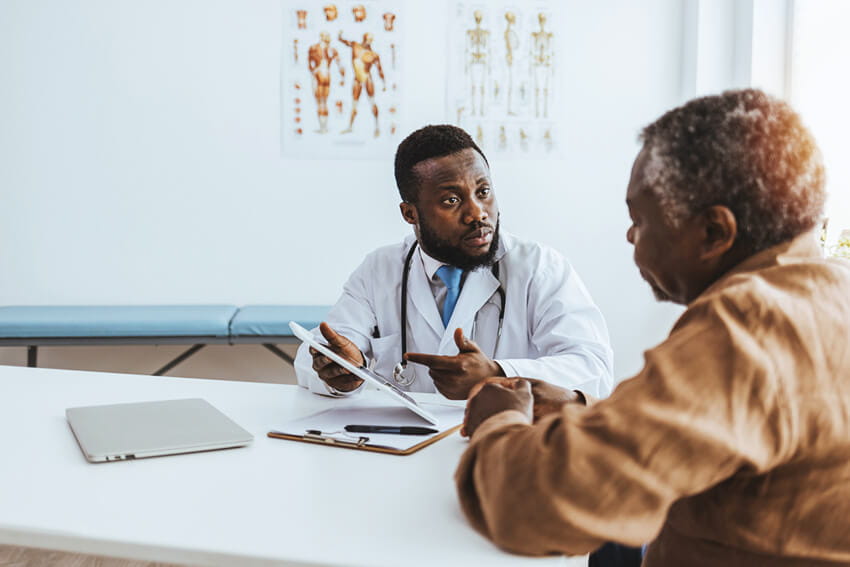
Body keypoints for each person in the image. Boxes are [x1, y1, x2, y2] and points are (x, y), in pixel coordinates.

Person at [455, 88, 850, 566]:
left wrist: (499, 420)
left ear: (712, 233)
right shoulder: (830, 291)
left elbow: (536, 504)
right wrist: (585, 409)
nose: (629, 235)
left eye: (639, 219)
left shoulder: (746, 327)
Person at [294, 124, 614, 400]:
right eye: (452, 200)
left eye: (483, 191)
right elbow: (317, 356)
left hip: (504, 446)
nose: (477, 213)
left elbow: (593, 367)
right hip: (405, 451)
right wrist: (340, 372)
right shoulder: (380, 270)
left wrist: (498, 373)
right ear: (410, 213)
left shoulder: (540, 268)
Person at [338, 32, 385, 137]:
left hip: (368, 79)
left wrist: (383, 83)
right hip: (357, 79)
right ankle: (350, 126)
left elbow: (379, 69)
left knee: (372, 102)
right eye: (368, 39)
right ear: (364, 38)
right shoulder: (355, 46)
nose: (369, 41)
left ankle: (377, 127)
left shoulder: (373, 55)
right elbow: (346, 42)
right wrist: (339, 37)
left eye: (371, 40)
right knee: (354, 104)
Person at [307, 32, 344, 134]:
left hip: (320, 74)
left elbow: (310, 64)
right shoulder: (329, 50)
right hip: (326, 74)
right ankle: (324, 127)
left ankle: (323, 127)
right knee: (324, 102)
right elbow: (340, 66)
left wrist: (314, 72)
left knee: (320, 102)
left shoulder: (315, 48)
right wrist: (342, 78)